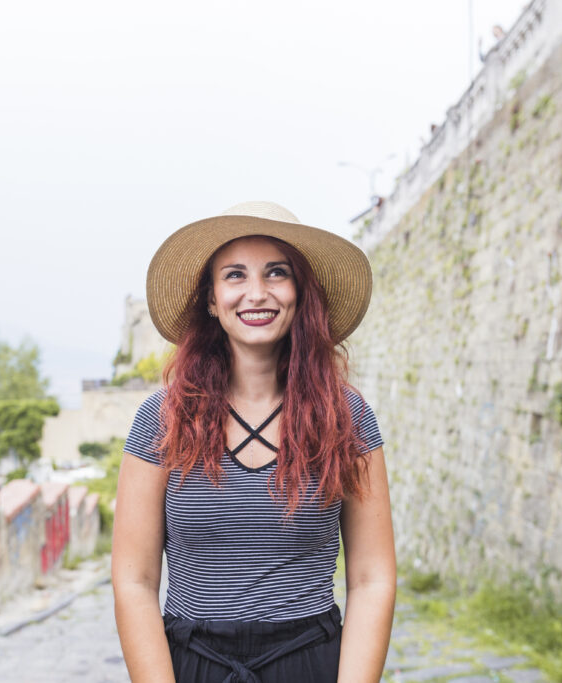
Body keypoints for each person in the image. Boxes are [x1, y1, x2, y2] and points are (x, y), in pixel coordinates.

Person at [112, 201, 396, 682]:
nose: (257, 293)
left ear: (300, 292)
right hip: (194, 665)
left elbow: (372, 579)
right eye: (236, 275)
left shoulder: (347, 417)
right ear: (210, 297)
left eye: (276, 273)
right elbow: (134, 581)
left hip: (310, 662)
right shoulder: (161, 420)